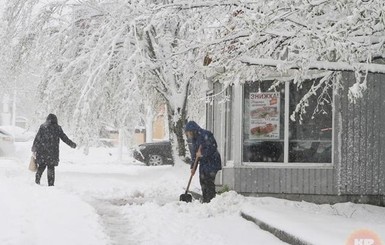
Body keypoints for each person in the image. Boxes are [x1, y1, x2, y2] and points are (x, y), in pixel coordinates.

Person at [32, 114, 77, 186]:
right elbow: (64, 138)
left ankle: (37, 181)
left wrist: (34, 148)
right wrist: (72, 144)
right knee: (51, 168)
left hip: (42, 151)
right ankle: (51, 184)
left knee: (41, 167)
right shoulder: (57, 128)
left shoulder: (43, 127)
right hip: (52, 152)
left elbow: (37, 138)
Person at [184, 121, 222, 203]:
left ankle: (211, 200)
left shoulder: (206, 134)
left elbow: (213, 147)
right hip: (204, 163)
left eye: (188, 133)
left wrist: (202, 153)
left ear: (192, 130)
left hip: (212, 161)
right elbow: (195, 154)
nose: (188, 135)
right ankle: (205, 199)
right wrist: (193, 167)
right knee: (202, 181)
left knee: (208, 181)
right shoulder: (194, 139)